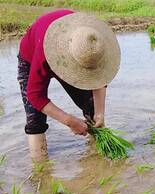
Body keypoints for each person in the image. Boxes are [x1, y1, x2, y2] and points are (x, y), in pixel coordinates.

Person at [18, 9, 121, 161]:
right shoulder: (45, 54)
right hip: (32, 56)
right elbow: (35, 95)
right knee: (35, 119)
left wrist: (100, 113)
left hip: (76, 54)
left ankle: (97, 161)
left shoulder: (91, 39)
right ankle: (40, 170)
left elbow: (99, 78)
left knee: (92, 107)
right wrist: (70, 121)